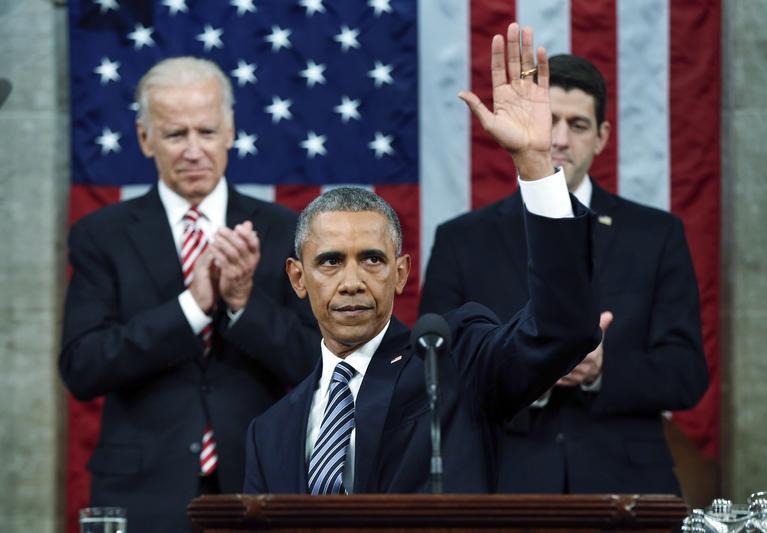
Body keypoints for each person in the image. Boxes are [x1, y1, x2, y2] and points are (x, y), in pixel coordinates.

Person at [244, 23, 601, 495]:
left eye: (371, 260)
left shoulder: (455, 368)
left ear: (401, 272)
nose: (351, 281)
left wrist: (535, 164)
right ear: (297, 277)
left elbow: (562, 331)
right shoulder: (269, 431)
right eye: (330, 262)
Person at [419, 53, 709, 494]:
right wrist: (531, 367)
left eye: (577, 125)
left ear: (601, 137)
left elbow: (686, 373)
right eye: (548, 120)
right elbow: (436, 372)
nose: (557, 138)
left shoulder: (656, 234)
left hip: (626, 485)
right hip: (504, 480)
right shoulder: (462, 240)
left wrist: (600, 368)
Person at [60, 57, 320, 531]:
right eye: (176, 135)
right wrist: (192, 308)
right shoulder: (102, 234)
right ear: (145, 139)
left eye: (206, 131)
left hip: (259, 484)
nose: (194, 150)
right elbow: (82, 367)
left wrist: (243, 305)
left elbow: (316, 367)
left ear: (230, 131)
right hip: (142, 494)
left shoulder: (286, 231)